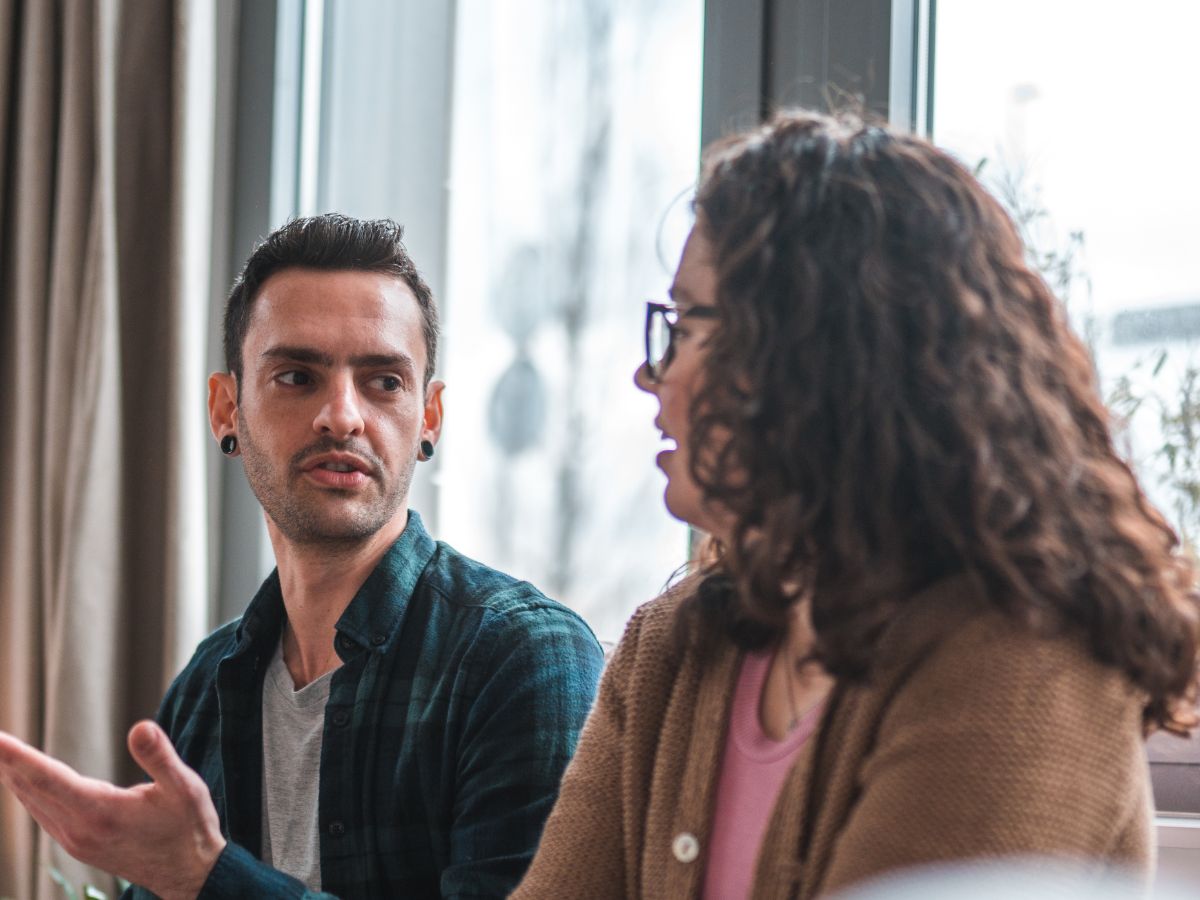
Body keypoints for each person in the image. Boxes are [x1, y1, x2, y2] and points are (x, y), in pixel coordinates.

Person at [513, 111, 1200, 899]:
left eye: (685, 327)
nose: (651, 375)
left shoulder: (1028, 654)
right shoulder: (670, 647)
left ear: (817, 356)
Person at [0, 214, 605, 898]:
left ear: (429, 418)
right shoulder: (206, 687)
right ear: (226, 408)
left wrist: (209, 878)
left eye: (383, 382)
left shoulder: (522, 659)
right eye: (296, 376)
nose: (342, 416)